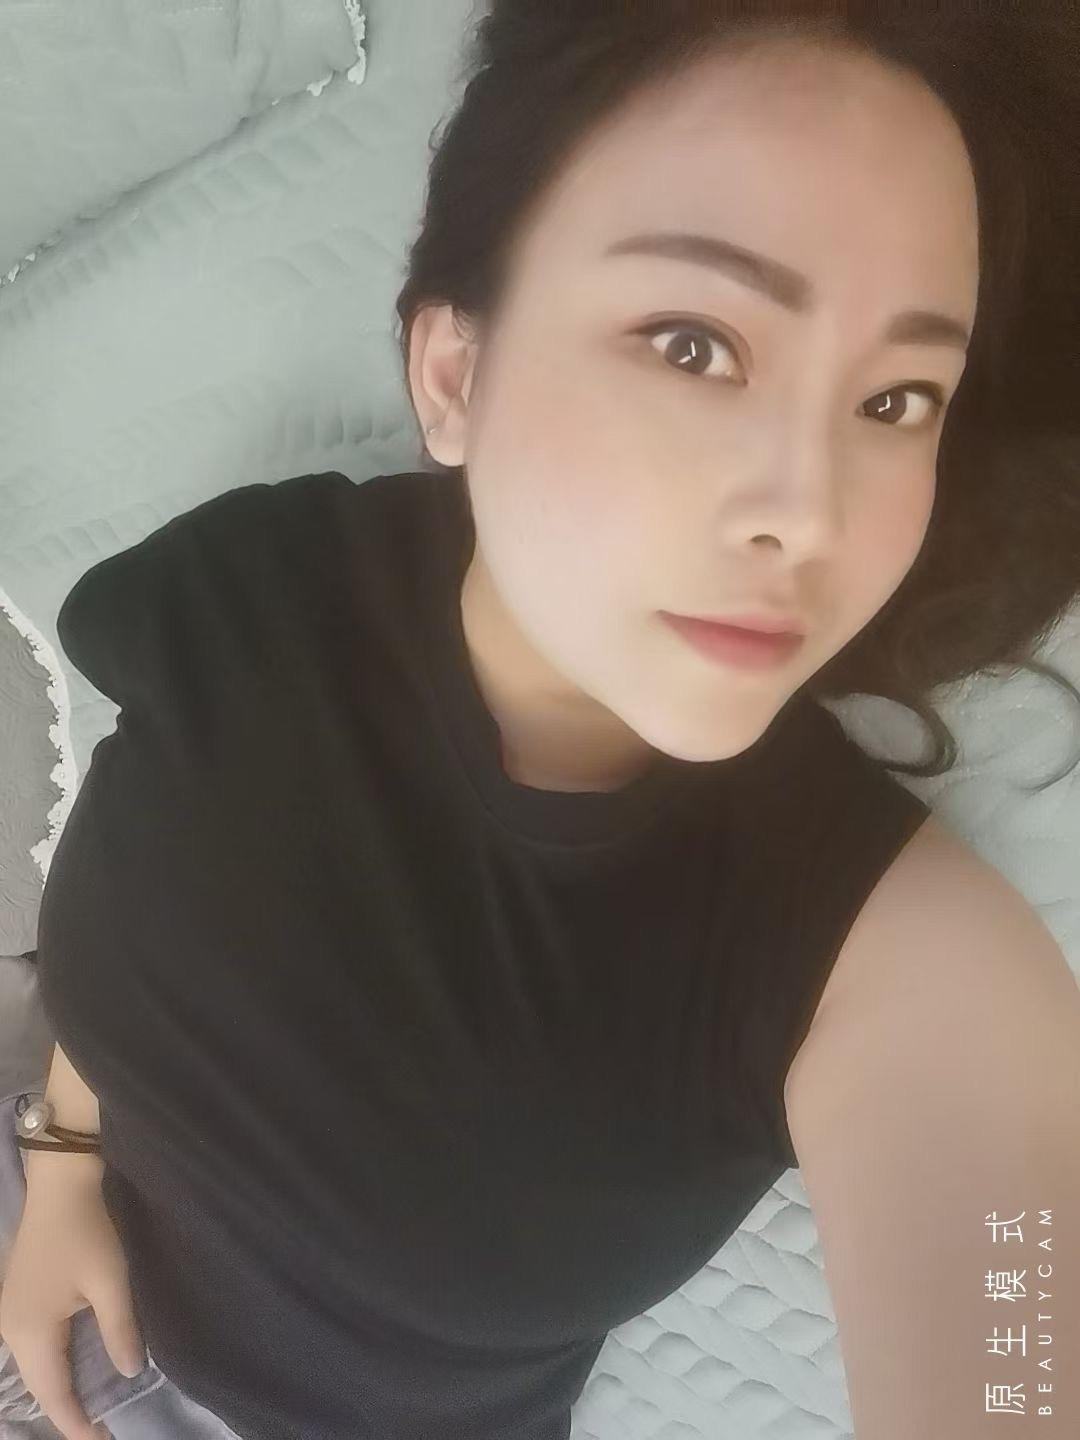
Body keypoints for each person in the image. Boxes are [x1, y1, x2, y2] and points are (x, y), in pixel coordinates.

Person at [2, 3, 1078, 1439]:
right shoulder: (264, 590)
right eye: (694, 343)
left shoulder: (897, 962)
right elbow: (127, 896)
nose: (811, 514)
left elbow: (1015, 1347)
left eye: (896, 399)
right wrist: (62, 1158)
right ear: (454, 375)